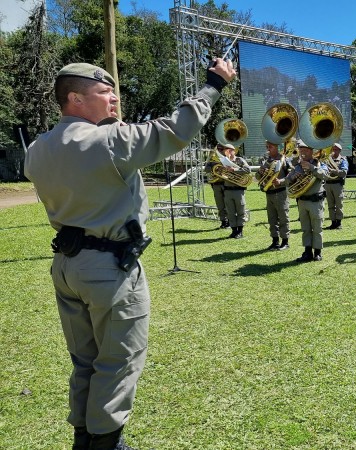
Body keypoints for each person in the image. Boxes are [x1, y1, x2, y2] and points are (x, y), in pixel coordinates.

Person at [24, 59, 236, 449]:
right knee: (118, 360)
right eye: (104, 92)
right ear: (75, 98)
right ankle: (107, 442)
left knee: (84, 359)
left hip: (68, 265)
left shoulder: (38, 148)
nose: (114, 97)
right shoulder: (110, 141)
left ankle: (83, 437)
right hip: (110, 267)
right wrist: (213, 85)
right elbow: (176, 129)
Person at [274, 139, 329, 261]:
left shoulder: (319, 163)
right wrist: (280, 181)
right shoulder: (297, 166)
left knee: (317, 228)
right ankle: (307, 252)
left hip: (316, 201)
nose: (302, 152)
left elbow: (325, 175)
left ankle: (318, 253)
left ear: (311, 151)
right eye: (301, 150)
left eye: (305, 150)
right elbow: (288, 179)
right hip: (302, 201)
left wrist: (312, 168)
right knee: (305, 228)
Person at [257, 139, 292, 250]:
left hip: (281, 192)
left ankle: (285, 242)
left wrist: (280, 181)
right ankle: (275, 241)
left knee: (283, 218)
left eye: (271, 146)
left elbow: (291, 176)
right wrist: (261, 172)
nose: (268, 148)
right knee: (272, 219)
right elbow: (257, 177)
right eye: (267, 146)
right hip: (269, 192)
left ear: (277, 147)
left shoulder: (284, 160)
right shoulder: (265, 161)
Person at [220, 143, 250, 239]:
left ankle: (240, 231)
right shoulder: (223, 161)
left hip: (238, 189)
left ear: (234, 151)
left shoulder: (239, 160)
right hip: (227, 190)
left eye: (229, 150)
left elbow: (248, 170)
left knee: (240, 210)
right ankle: (234, 231)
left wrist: (234, 170)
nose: (227, 151)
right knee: (230, 212)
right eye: (225, 150)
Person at [324, 143, 349, 230]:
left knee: (339, 204)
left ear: (339, 151)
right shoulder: (326, 160)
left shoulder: (343, 160)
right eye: (333, 149)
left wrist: (332, 170)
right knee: (330, 205)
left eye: (336, 149)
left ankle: (339, 223)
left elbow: (343, 173)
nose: (334, 151)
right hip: (328, 184)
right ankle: (333, 222)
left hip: (337, 184)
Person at [204, 143, 229, 229]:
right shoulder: (212, 160)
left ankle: (230, 221)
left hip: (226, 183)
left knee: (228, 204)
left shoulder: (228, 159)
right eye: (219, 149)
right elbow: (206, 170)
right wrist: (213, 167)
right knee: (220, 204)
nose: (220, 151)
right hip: (216, 184)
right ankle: (223, 221)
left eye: (222, 149)